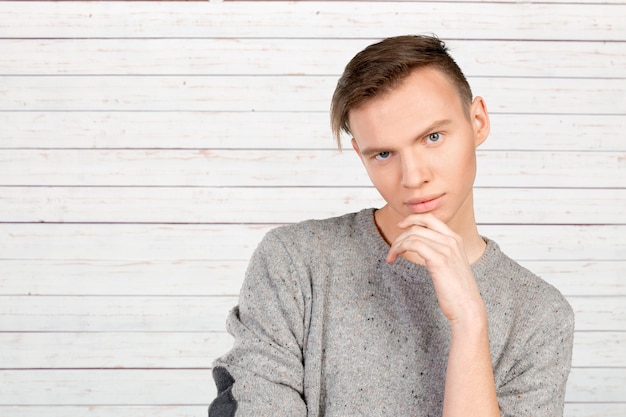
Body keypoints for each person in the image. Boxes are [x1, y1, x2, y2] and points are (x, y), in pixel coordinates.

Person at [208, 35, 574, 417]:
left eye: (433, 137)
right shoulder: (295, 262)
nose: (413, 177)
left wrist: (469, 320)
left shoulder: (541, 315)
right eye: (383, 154)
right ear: (360, 155)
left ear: (478, 121)